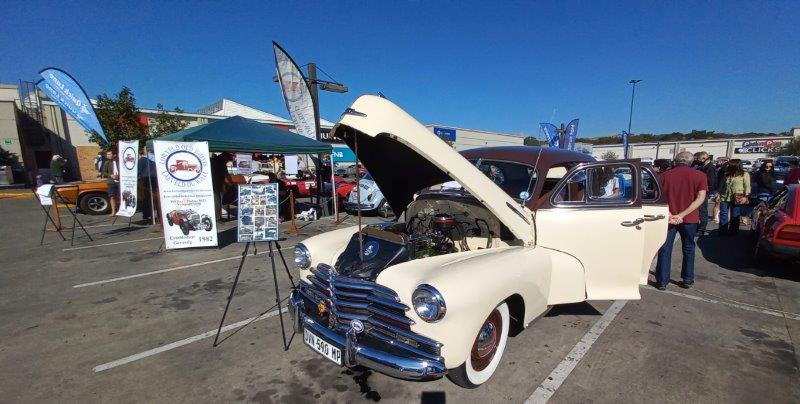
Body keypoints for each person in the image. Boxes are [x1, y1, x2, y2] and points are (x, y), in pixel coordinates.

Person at [654, 151, 708, 290]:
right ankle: (688, 279)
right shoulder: (700, 176)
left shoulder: (664, 176)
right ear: (691, 162)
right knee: (689, 247)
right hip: (689, 218)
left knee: (665, 248)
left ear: (675, 161)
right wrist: (682, 215)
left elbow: (658, 197)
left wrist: (670, 214)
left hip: (669, 218)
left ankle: (662, 281)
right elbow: (700, 198)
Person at [718, 159, 751, 236]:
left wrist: (746, 196)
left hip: (737, 197)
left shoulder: (744, 174)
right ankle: (723, 231)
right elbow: (722, 184)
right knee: (723, 214)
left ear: (735, 166)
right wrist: (718, 194)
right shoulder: (727, 173)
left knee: (735, 215)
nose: (728, 166)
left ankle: (733, 231)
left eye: (730, 165)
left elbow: (747, 186)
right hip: (725, 196)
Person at [693, 152, 717, 235]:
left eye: (698, 159)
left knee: (702, 210)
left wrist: (705, 190)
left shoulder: (710, 168)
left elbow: (711, 182)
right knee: (699, 210)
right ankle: (699, 227)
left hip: (704, 191)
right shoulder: (703, 167)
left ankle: (701, 229)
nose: (697, 160)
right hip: (701, 190)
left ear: (704, 158)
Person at [137, 147, 159, 223]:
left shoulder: (142, 160)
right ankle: (159, 216)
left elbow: (138, 172)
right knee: (157, 199)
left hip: (145, 181)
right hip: (157, 180)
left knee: (146, 200)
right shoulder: (158, 157)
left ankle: (147, 216)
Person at [210, 152, 234, 220]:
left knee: (216, 201)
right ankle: (217, 217)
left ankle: (217, 216)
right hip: (215, 184)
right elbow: (225, 176)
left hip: (213, 183)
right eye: (227, 160)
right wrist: (230, 184)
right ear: (225, 158)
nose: (227, 162)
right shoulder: (221, 163)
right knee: (217, 201)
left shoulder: (213, 160)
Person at [100, 150, 119, 216]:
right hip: (111, 182)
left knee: (122, 196)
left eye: (109, 154)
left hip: (121, 181)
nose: (107, 156)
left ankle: (122, 209)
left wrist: (119, 175)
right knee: (112, 196)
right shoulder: (107, 163)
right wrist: (110, 175)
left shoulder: (119, 162)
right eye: (107, 154)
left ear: (114, 155)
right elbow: (104, 172)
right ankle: (113, 211)